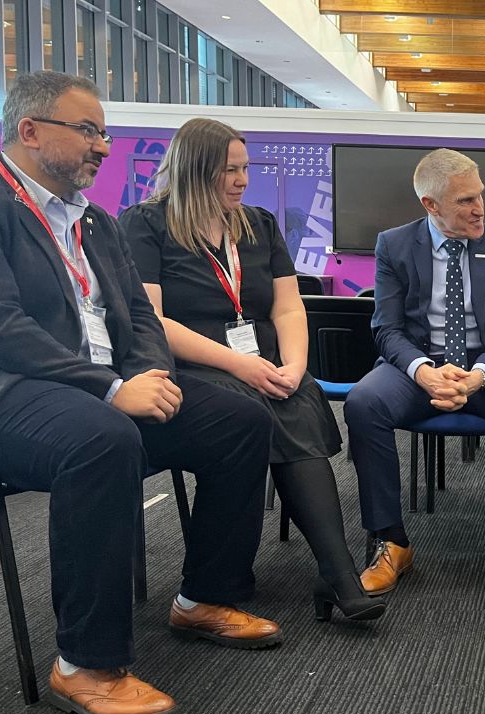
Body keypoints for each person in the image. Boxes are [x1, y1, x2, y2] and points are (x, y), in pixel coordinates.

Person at [0, 72, 282, 714]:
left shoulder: (97, 223)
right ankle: (86, 664)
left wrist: (151, 376)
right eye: (87, 130)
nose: (104, 146)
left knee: (240, 420)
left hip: (90, 390)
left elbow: (139, 317)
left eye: (104, 133)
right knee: (101, 437)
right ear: (29, 131)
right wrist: (111, 389)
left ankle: (204, 598)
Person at [120, 118, 384, 624]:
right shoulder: (146, 224)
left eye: (244, 169)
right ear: (195, 170)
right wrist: (241, 364)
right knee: (249, 407)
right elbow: (151, 321)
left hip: (264, 365)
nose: (242, 180)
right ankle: (337, 574)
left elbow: (287, 307)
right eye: (229, 170)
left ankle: (337, 572)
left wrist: (295, 366)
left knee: (295, 397)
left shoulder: (258, 224)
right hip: (194, 367)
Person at [343, 148, 485, 617]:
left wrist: (478, 376)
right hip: (421, 366)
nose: (480, 208)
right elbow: (387, 329)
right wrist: (423, 371)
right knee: (363, 402)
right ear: (431, 204)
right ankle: (391, 543)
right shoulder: (394, 245)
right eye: (465, 201)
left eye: (480, 195)